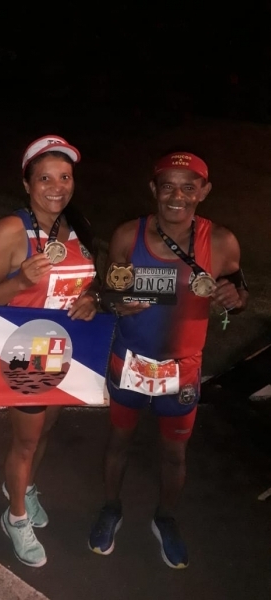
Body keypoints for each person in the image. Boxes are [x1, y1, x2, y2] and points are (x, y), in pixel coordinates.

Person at [88, 151, 248, 568]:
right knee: (118, 442)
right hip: (130, 363)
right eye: (168, 187)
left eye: (188, 187)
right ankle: (111, 508)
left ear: (203, 191)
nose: (177, 196)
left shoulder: (221, 242)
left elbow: (238, 290)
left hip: (182, 369)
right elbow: (106, 290)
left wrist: (234, 299)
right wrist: (115, 303)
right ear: (153, 189)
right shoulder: (128, 235)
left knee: (174, 454)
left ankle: (166, 518)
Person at [0, 135, 100, 567]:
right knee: (26, 441)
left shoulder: (77, 225)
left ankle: (24, 489)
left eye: (65, 177)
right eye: (45, 178)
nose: (56, 186)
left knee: (44, 432)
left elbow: (88, 283)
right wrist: (20, 282)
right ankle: (15, 516)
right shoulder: (11, 229)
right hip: (26, 350)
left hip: (66, 350)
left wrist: (92, 298)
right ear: (27, 183)